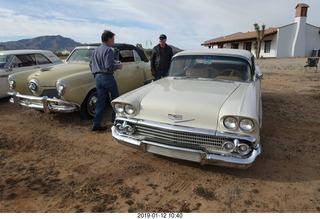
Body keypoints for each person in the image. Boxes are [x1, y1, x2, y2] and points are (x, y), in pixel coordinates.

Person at [89, 30, 123, 132]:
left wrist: (95, 73)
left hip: (98, 78)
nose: (113, 41)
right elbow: (109, 67)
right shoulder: (108, 50)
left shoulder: (95, 50)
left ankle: (97, 123)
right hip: (107, 77)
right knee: (115, 98)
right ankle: (115, 119)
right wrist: (118, 66)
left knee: (101, 101)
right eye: (113, 39)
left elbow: (90, 64)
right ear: (108, 39)